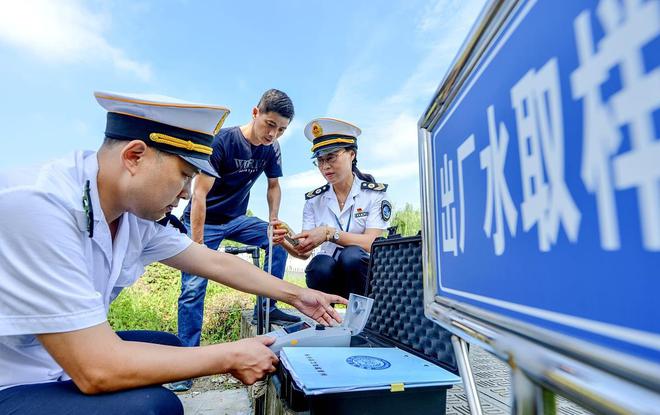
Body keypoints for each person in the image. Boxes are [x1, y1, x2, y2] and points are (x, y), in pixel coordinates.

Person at [0, 92, 346, 415]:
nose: (185, 193)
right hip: (15, 376)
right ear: (134, 156)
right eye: (184, 176)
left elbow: (212, 261)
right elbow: (96, 370)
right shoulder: (39, 207)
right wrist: (230, 354)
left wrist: (298, 294)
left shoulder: (134, 214)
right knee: (156, 406)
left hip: (51, 356)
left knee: (171, 346)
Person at [172, 90, 301, 391]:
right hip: (205, 219)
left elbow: (273, 187)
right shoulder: (223, 142)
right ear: (255, 112)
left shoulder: (272, 148)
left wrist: (273, 221)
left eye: (281, 129)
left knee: (276, 240)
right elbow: (199, 194)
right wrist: (199, 248)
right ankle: (184, 365)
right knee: (193, 287)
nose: (273, 133)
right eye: (270, 124)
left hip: (236, 218)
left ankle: (267, 306)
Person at [273, 118, 392, 298]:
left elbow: (372, 243)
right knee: (319, 265)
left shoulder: (374, 195)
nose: (325, 166)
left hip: (364, 279)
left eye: (331, 157)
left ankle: (365, 315)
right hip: (329, 276)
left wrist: (329, 233)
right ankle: (327, 316)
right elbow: (304, 252)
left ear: (352, 154)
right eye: (320, 160)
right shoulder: (314, 201)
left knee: (351, 256)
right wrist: (286, 240)